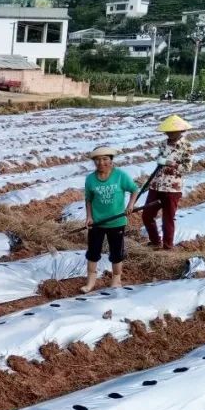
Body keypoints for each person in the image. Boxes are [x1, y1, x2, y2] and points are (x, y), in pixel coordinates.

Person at [82, 146, 139, 293]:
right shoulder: (90, 179)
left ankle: (116, 279)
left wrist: (130, 205)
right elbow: (88, 200)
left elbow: (134, 189)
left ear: (111, 160)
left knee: (116, 252)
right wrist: (89, 217)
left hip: (117, 222)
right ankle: (90, 281)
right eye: (98, 160)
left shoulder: (120, 176)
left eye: (105, 159)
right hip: (97, 222)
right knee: (93, 252)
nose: (101, 163)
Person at [142, 114, 194, 251]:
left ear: (181, 131)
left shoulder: (186, 146)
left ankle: (167, 247)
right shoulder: (162, 144)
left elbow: (187, 168)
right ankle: (155, 241)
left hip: (173, 188)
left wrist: (171, 163)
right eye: (167, 131)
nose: (169, 133)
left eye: (172, 131)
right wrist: (161, 160)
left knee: (168, 219)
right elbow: (159, 159)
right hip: (157, 184)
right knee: (147, 215)